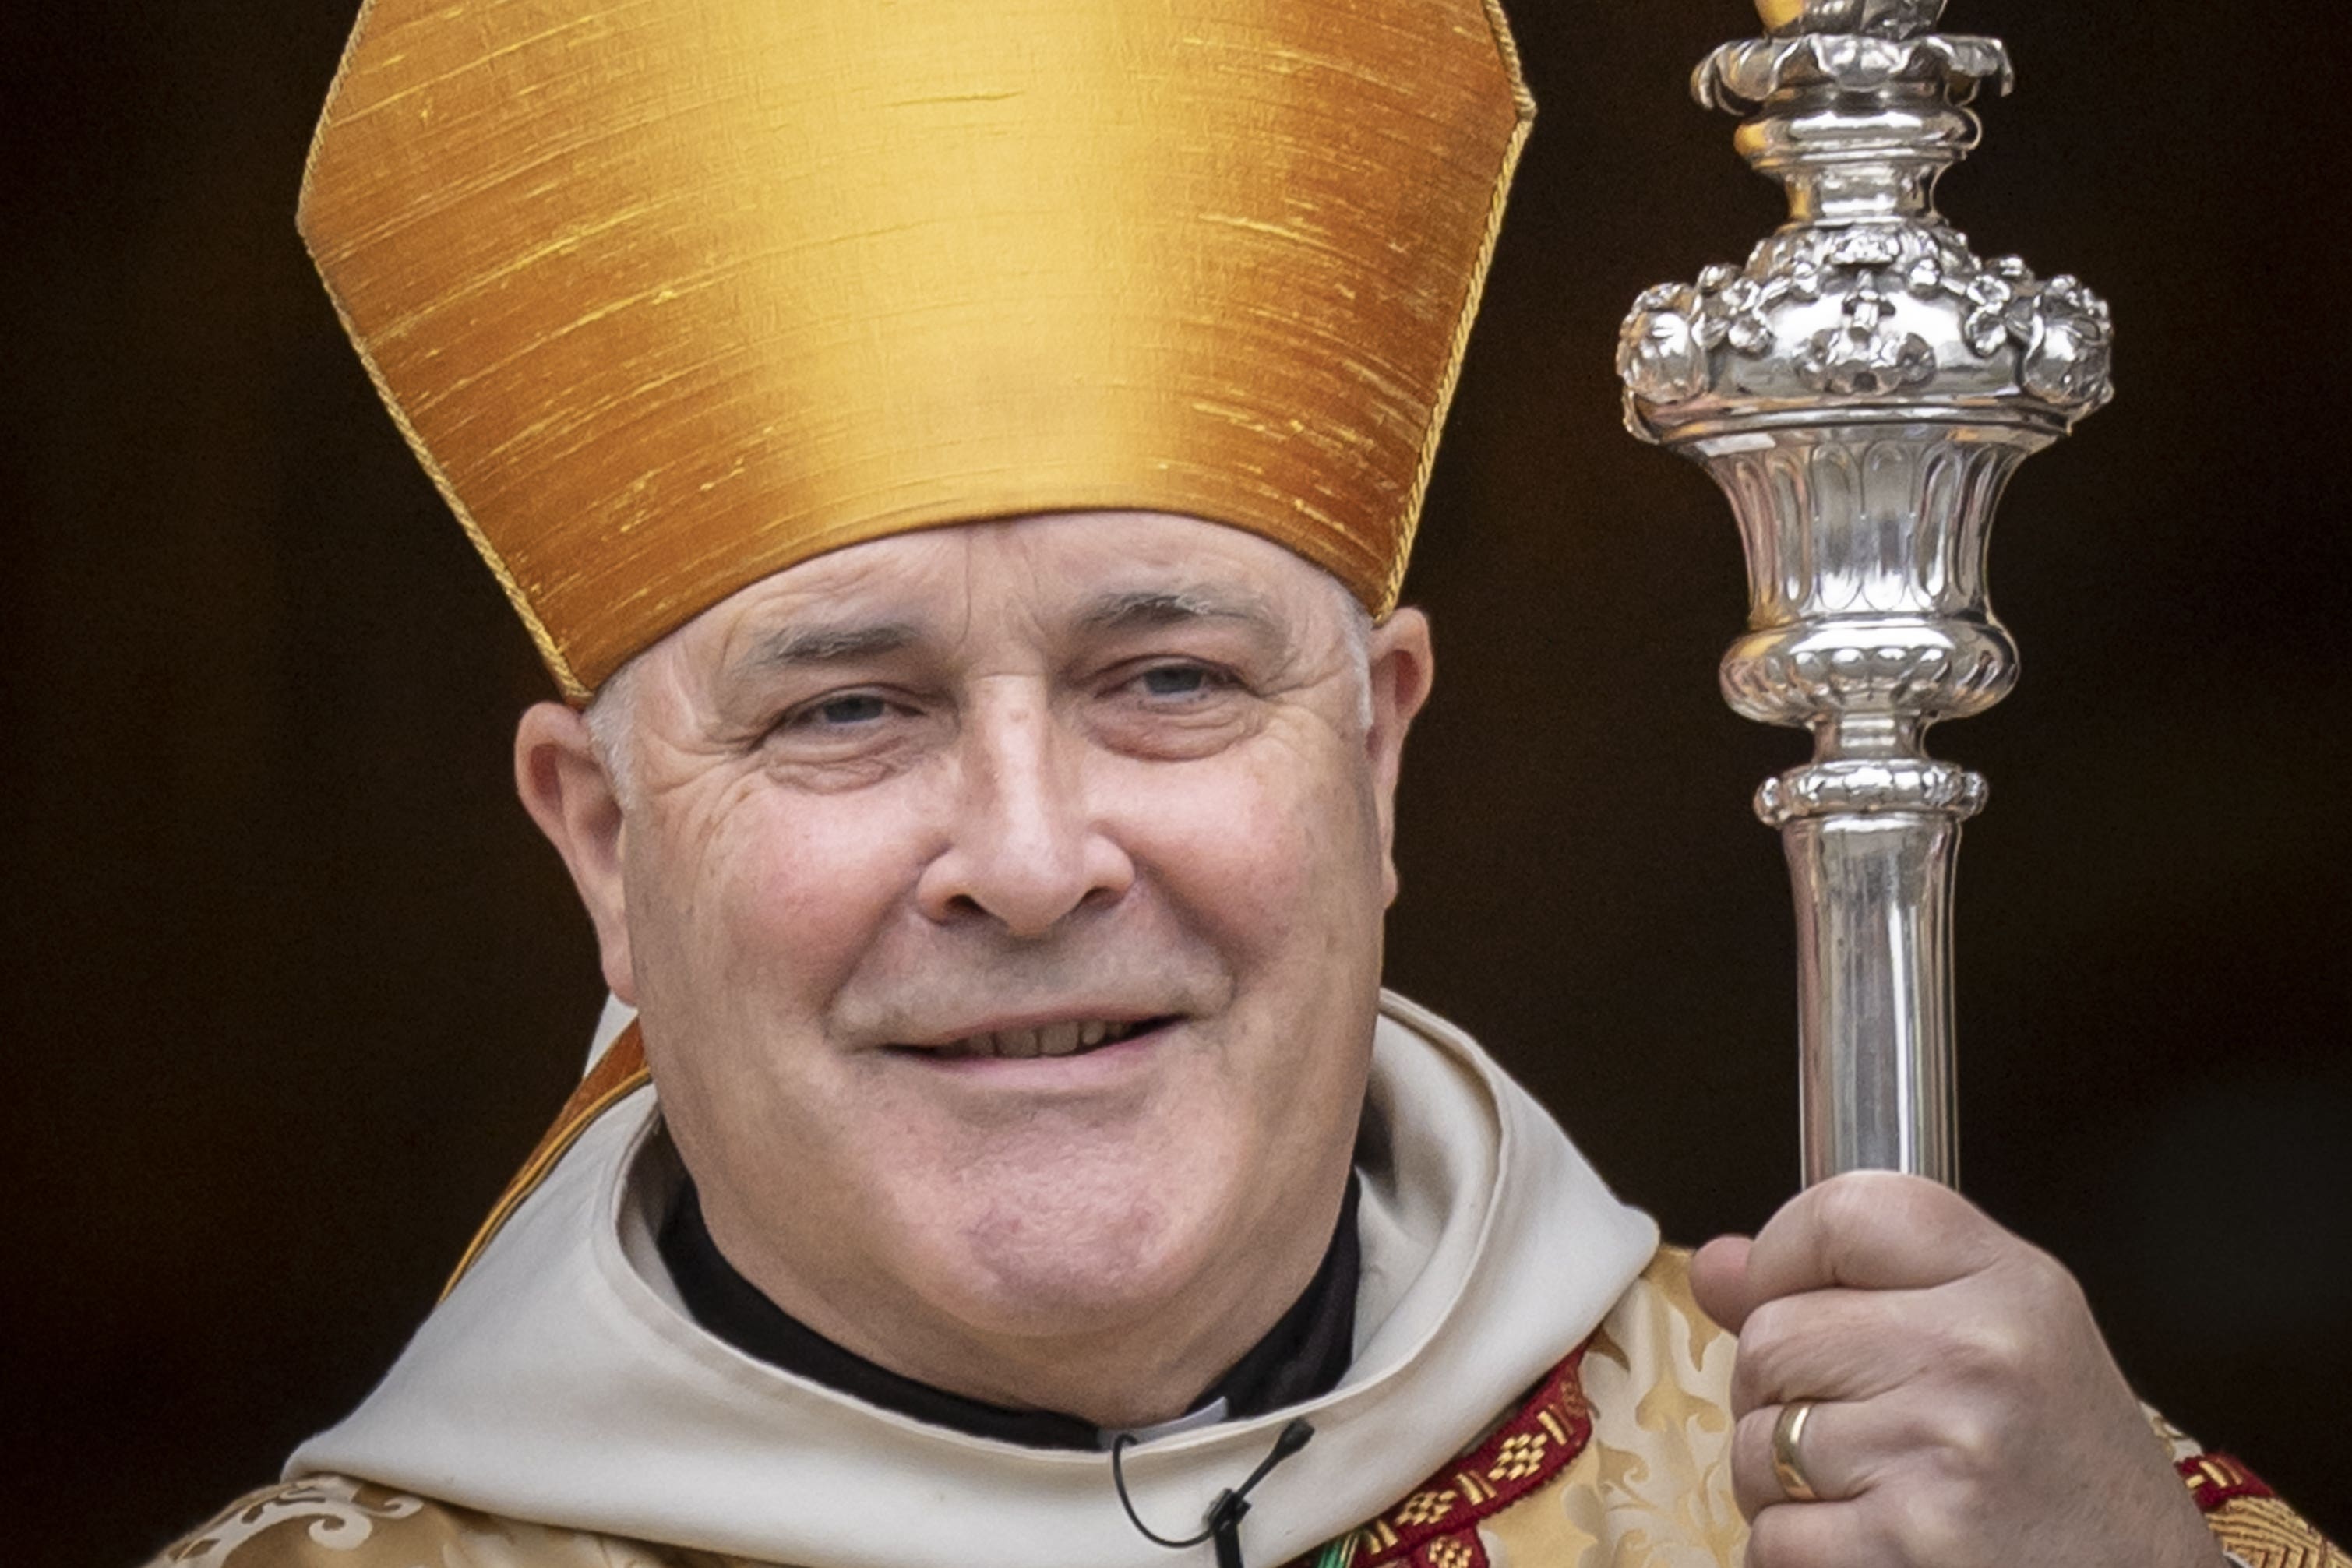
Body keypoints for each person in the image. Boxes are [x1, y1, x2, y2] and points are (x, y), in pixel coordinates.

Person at [154, 0, 2339, 1564]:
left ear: (1375, 754)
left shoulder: (1933, 1500)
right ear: (606, 846)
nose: (1029, 860)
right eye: (847, 712)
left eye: (1170, 679)